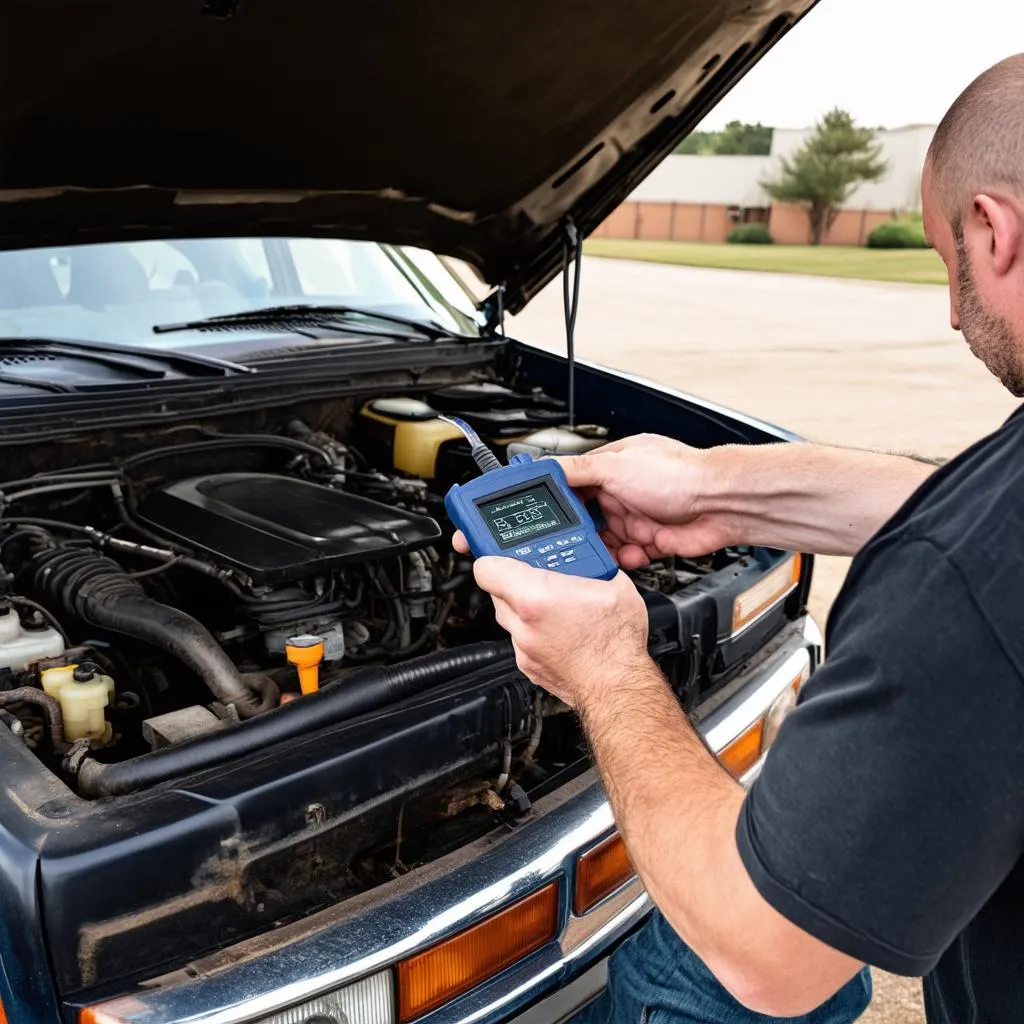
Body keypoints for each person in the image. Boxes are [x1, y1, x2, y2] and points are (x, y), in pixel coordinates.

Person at [456, 54, 1024, 1024]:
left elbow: (768, 957)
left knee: (686, 967)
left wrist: (602, 665)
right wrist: (721, 489)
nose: (949, 309)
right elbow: (975, 519)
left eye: (945, 261)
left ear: (991, 229)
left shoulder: (970, 577)